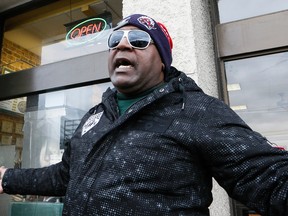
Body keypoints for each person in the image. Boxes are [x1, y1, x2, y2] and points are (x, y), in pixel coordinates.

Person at [1, 13, 288, 216]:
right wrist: (6, 178)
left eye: (139, 40)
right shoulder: (95, 116)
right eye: (115, 40)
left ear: (162, 60)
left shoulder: (195, 110)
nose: (123, 45)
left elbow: (269, 178)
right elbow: (64, 175)